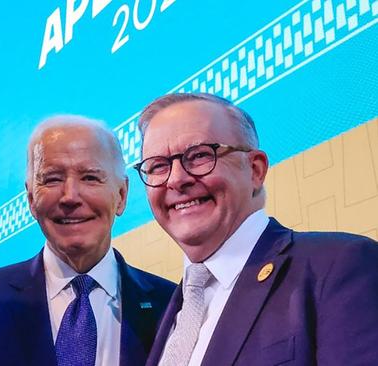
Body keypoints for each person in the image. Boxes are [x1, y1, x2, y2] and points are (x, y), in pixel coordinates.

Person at [134, 93, 378, 366]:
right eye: (157, 166)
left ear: (255, 169)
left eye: (200, 155)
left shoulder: (340, 266)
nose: (177, 179)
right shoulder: (165, 311)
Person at [0, 116, 176, 366]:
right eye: (52, 179)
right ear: (31, 199)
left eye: (90, 178)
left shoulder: (172, 308)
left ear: (121, 195)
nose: (70, 197)